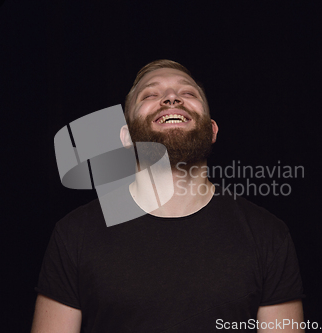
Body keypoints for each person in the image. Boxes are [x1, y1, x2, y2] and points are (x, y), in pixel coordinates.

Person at [31, 60, 305, 332]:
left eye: (187, 93)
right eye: (151, 94)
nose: (171, 98)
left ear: (212, 131)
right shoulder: (74, 234)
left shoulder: (268, 235)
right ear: (125, 138)